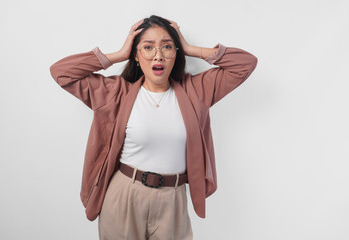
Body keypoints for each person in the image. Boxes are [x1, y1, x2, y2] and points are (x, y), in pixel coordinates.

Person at [50, 15, 257, 240]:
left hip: (173, 200)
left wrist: (189, 48)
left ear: (175, 54)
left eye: (167, 47)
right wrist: (118, 55)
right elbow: (62, 72)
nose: (158, 55)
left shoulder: (196, 91)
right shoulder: (115, 93)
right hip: (124, 196)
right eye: (148, 48)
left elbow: (245, 64)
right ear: (136, 55)